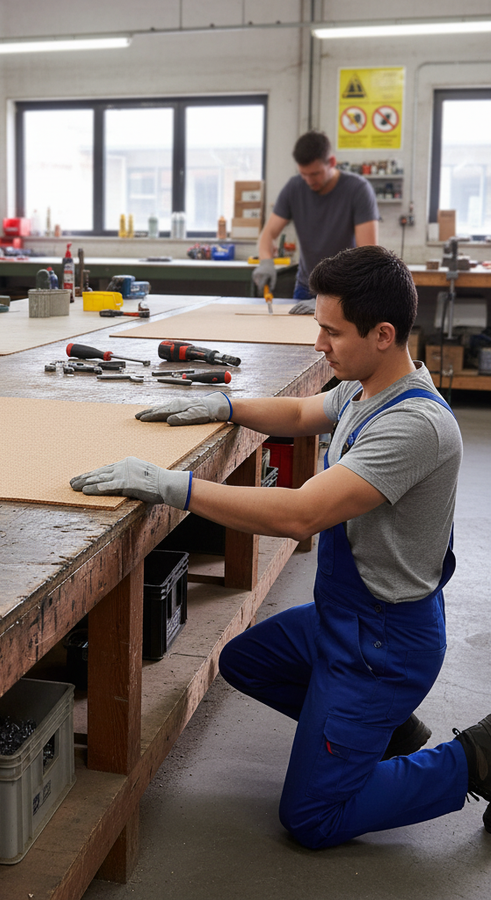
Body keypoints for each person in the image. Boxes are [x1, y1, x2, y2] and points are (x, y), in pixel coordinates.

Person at [70, 245, 491, 849]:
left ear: (383, 334)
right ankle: (387, 730)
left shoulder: (415, 425)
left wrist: (175, 486)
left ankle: (475, 758)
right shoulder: (367, 386)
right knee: (245, 660)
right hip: (344, 618)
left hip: (384, 642)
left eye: (330, 331)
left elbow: (302, 514)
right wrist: (227, 404)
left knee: (313, 818)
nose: (319, 344)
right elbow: (300, 410)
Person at [253, 130, 379, 312]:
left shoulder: (358, 190)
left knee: (337, 340)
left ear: (332, 163)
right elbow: (268, 234)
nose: (309, 180)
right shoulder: (294, 188)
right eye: (303, 174)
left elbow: (368, 254)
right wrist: (265, 262)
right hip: (305, 287)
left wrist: (330, 301)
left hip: (343, 291)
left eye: (315, 174)